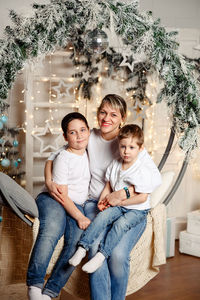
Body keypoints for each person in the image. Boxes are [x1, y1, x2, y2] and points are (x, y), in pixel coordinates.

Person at [42, 94, 162, 300]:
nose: (107, 118)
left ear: (122, 118)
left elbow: (152, 181)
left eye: (113, 114)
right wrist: (49, 181)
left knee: (117, 255)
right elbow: (55, 156)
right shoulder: (89, 136)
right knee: (95, 247)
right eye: (103, 112)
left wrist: (121, 194)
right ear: (97, 114)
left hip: (128, 208)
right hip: (94, 204)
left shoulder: (128, 142)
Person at [69, 124, 162, 273]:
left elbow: (142, 198)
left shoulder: (141, 169)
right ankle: (82, 248)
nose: (126, 151)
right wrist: (102, 199)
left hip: (137, 209)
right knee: (101, 217)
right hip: (118, 205)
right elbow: (108, 184)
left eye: (131, 147)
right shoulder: (115, 164)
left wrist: (122, 202)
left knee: (120, 225)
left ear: (140, 148)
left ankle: (101, 255)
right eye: (123, 147)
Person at [26, 112, 91, 300]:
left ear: (89, 131)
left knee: (77, 239)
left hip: (75, 203)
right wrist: (79, 216)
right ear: (65, 137)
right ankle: (35, 284)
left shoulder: (89, 146)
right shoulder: (65, 157)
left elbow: (50, 158)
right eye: (72, 132)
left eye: (82, 130)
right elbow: (61, 195)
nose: (79, 136)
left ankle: (51, 290)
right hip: (54, 199)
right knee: (52, 228)